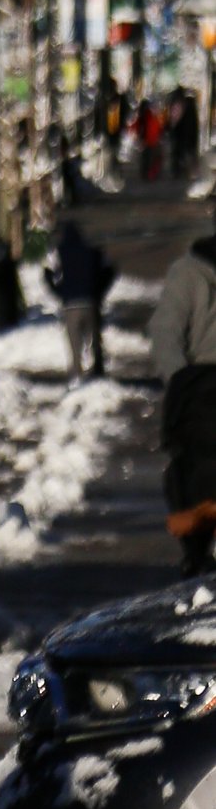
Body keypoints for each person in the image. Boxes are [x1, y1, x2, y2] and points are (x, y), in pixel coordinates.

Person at [149, 227, 216, 571]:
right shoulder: (189, 273)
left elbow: (165, 333)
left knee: (194, 479)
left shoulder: (187, 273)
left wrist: (179, 382)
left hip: (197, 399)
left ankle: (198, 554)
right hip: (200, 398)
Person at [47, 207, 114, 380]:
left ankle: (77, 375)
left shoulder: (62, 252)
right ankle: (97, 371)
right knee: (94, 341)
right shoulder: (92, 251)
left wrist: (59, 292)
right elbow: (109, 270)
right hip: (90, 301)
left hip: (70, 304)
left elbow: (49, 275)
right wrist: (99, 292)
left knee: (74, 345)